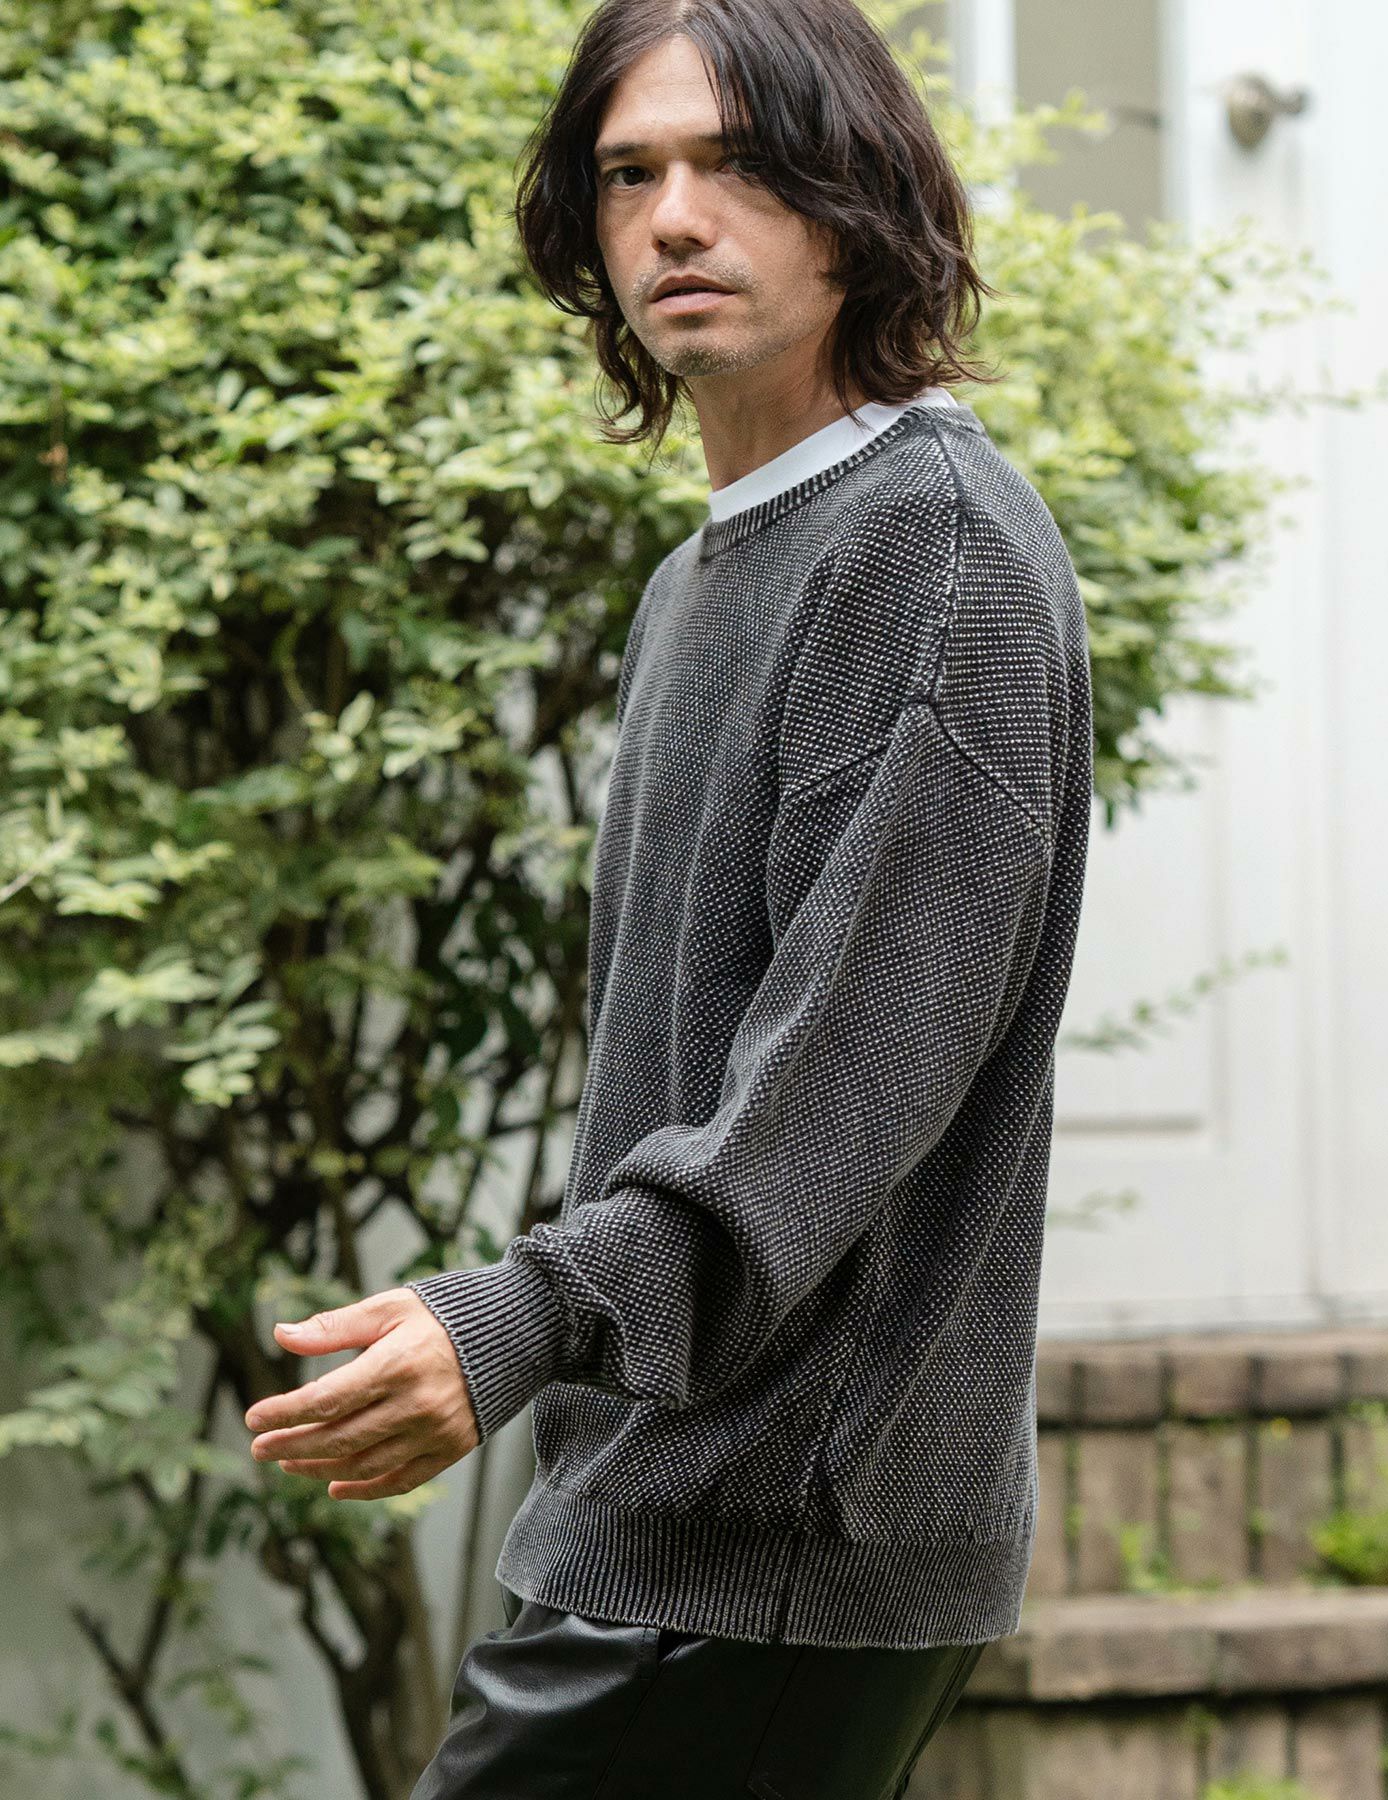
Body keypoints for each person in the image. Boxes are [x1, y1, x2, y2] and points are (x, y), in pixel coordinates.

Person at [242, 0, 1094, 1792]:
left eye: (737, 164)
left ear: (857, 199)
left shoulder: (930, 551)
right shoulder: (710, 574)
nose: (676, 219)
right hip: (669, 1510)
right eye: (630, 174)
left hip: (774, 1535)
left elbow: (832, 1103)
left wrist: (517, 1322)